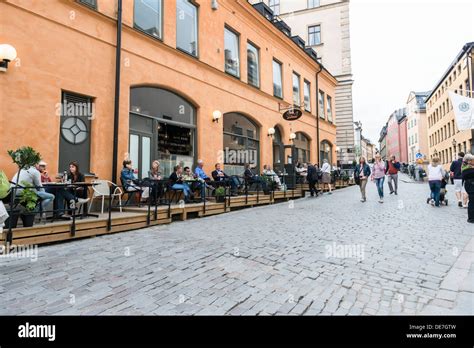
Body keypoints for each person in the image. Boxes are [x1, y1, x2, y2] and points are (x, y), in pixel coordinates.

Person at [461, 153, 474, 223]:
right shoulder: (467, 168)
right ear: (469, 161)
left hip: (469, 184)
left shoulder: (467, 166)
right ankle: (471, 218)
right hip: (471, 185)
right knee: (472, 201)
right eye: (473, 160)